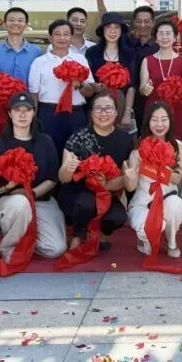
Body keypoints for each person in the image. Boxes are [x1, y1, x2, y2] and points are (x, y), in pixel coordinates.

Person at [0, 92, 67, 261]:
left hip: (40, 199)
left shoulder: (45, 142)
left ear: (33, 112)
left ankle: (27, 238)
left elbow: (52, 179)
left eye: (27, 110)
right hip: (8, 202)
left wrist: (31, 193)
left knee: (56, 249)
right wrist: (7, 187)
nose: (22, 115)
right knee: (20, 204)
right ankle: (10, 248)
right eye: (17, 110)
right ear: (9, 113)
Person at [56, 91, 132, 251]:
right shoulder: (79, 136)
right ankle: (78, 234)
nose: (103, 113)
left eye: (108, 108)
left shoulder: (126, 140)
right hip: (77, 192)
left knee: (118, 217)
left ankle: (100, 232)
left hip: (106, 192)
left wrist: (106, 185)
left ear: (116, 112)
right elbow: (63, 177)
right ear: (91, 113)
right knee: (86, 203)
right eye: (98, 109)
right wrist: (68, 169)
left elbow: (126, 177)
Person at [123, 101, 182, 258]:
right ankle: (145, 238)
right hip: (143, 202)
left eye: (164, 119)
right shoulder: (139, 149)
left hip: (167, 198)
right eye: (155, 120)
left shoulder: (177, 146)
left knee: (176, 206)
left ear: (170, 121)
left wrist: (158, 165)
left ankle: (171, 241)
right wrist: (129, 177)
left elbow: (177, 179)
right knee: (150, 244)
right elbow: (130, 188)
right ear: (148, 122)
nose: (159, 124)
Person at [28, 19, 96, 154]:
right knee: (49, 152)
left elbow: (90, 92)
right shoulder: (39, 62)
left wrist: (80, 84)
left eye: (66, 34)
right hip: (48, 114)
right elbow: (33, 94)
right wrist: (32, 121)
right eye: (57, 34)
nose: (62, 38)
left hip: (75, 114)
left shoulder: (80, 60)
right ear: (50, 38)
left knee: (77, 153)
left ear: (71, 37)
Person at [138, 17, 182, 145]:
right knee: (153, 147)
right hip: (154, 112)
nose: (164, 37)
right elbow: (142, 88)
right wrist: (145, 89)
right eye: (160, 33)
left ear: (175, 37)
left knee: (177, 147)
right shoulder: (147, 60)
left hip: (177, 111)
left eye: (168, 33)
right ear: (156, 38)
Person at [86, 11, 137, 132]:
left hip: (121, 104)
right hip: (98, 106)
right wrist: (100, 86)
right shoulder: (92, 53)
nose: (112, 31)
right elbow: (88, 83)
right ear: (103, 30)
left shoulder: (129, 54)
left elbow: (132, 87)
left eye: (116, 27)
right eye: (108, 27)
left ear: (121, 30)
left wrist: (127, 113)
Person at [0, 7, 42, 83]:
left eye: (20, 20)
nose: (16, 23)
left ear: (26, 25)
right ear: (5, 24)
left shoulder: (36, 51)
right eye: (11, 20)